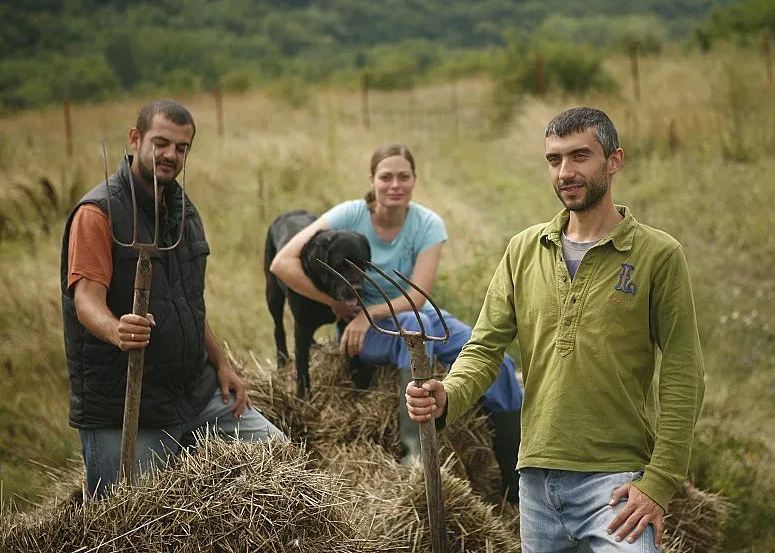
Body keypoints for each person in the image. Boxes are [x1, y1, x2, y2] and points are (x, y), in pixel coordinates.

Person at [405, 107, 706, 552]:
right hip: (536, 482)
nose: (565, 172)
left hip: (618, 485)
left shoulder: (657, 255)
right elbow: (485, 348)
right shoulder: (525, 249)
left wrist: (659, 482)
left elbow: (684, 374)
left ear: (614, 161)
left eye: (580, 156)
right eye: (554, 159)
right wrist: (448, 394)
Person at [269, 143, 524, 502]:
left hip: (410, 314)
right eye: (385, 177)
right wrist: (339, 308)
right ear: (372, 181)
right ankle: (414, 451)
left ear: (414, 180)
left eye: (403, 176)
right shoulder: (350, 214)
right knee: (421, 330)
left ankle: (515, 482)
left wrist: (368, 313)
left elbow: (417, 297)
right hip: (374, 332)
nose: (394, 184)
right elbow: (282, 263)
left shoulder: (428, 224)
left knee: (498, 361)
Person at [61, 99, 284, 498]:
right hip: (127, 404)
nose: (171, 155)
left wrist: (221, 363)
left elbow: (187, 304)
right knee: (129, 519)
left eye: (181, 148)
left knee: (278, 456)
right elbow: (86, 300)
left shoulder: (181, 211)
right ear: (135, 138)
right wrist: (117, 330)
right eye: (161, 143)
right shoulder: (100, 212)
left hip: (193, 396)